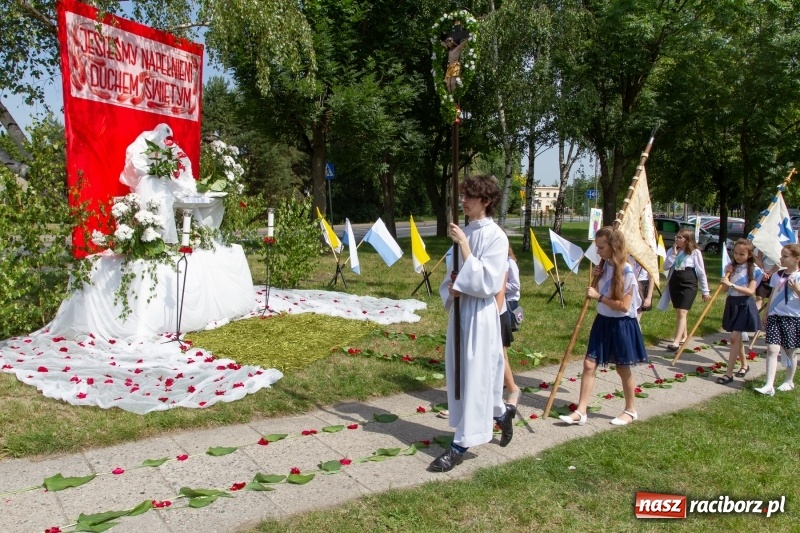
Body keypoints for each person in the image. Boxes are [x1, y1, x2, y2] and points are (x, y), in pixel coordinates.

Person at [431, 175, 513, 473]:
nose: (462, 200)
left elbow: (489, 282)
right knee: (464, 375)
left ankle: (459, 446)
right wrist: (452, 286)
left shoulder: (496, 237)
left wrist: (464, 245)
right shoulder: (463, 231)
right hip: (461, 312)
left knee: (477, 375)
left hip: (480, 315)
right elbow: (455, 274)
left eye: (470, 197)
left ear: (487, 202)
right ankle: (501, 413)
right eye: (462, 195)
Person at [559, 227, 648, 427]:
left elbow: (624, 307)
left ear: (613, 246)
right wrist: (597, 280)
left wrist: (598, 296)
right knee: (589, 364)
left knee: (622, 368)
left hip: (622, 325)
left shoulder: (627, 272)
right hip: (603, 321)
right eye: (597, 247)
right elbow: (602, 293)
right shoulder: (605, 266)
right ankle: (581, 411)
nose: (598, 251)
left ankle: (630, 410)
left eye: (601, 247)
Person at [754, 244, 800, 395]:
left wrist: (796, 289)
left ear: (796, 259)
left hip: (792, 318)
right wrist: (767, 313)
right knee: (772, 349)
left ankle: (789, 381)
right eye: (781, 255)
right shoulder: (777, 275)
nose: (781, 259)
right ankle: (769, 385)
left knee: (790, 350)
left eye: (785, 256)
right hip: (775, 315)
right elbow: (773, 294)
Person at [716, 239, 762, 385]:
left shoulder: (753, 269)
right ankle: (744, 365)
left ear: (749, 254)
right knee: (737, 338)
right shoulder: (731, 267)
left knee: (735, 337)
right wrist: (726, 275)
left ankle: (728, 374)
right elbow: (724, 289)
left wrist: (732, 285)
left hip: (744, 304)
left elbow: (750, 291)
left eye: (742, 254)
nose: (737, 256)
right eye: (735, 253)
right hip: (732, 303)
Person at [658, 229, 710, 350]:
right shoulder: (672, 250)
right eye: (677, 237)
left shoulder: (695, 252)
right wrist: (673, 255)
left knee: (682, 312)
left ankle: (676, 342)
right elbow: (665, 267)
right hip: (675, 282)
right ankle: (684, 336)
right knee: (679, 311)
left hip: (689, 283)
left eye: (680, 238)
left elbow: (701, 272)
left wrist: (705, 290)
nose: (677, 239)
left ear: (687, 240)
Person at [501, 246, 522, 406]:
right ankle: (503, 378)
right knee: (502, 346)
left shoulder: (510, 262)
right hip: (499, 301)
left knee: (502, 344)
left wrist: (498, 285)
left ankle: (509, 383)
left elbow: (515, 286)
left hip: (508, 303)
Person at [629, 256, 654, 323]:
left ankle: (635, 330)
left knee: (638, 313)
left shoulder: (647, 258)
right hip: (630, 284)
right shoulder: (628, 256)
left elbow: (652, 278)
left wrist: (649, 297)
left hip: (642, 285)